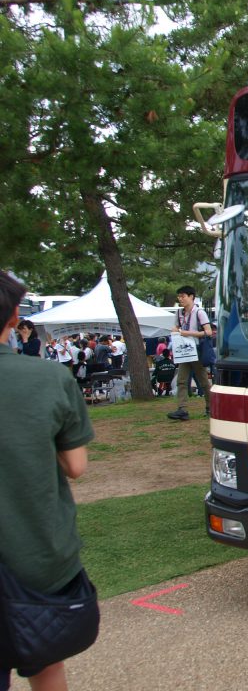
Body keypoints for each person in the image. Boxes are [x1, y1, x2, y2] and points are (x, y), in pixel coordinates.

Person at [0, 272, 95, 691]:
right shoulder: (46, 378)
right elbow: (76, 466)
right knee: (46, 661)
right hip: (35, 557)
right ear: (16, 316)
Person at [167, 286, 213, 421]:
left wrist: (189, 333)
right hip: (184, 350)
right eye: (179, 296)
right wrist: (175, 329)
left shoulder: (199, 312)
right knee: (182, 380)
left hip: (197, 350)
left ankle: (211, 407)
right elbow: (176, 327)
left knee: (203, 381)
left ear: (191, 296)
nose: (180, 299)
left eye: (183, 296)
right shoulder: (179, 313)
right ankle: (182, 409)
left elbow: (208, 332)